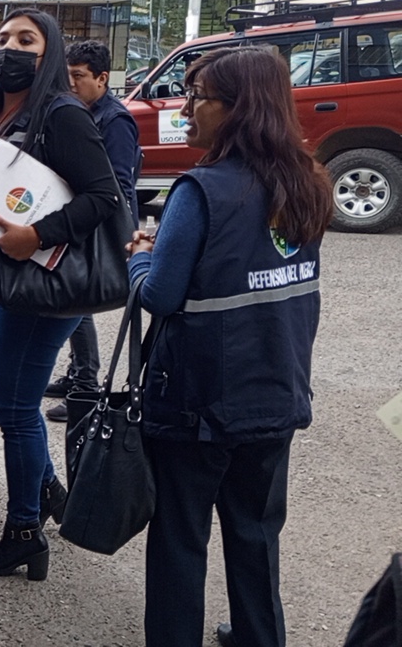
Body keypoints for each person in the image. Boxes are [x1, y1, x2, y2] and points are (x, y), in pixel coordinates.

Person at [130, 46, 331, 647]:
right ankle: (257, 636)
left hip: (198, 404)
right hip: (275, 394)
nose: (186, 108)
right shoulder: (307, 181)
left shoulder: (201, 190)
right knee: (255, 533)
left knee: (180, 540)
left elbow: (161, 296)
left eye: (200, 97)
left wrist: (142, 257)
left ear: (239, 108)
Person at [0, 9, 122, 581]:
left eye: (26, 40)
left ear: (50, 52)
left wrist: (38, 234)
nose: (9, 47)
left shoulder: (59, 114)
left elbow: (103, 196)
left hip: (42, 289)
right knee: (0, 395)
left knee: (15, 409)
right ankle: (50, 492)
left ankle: (24, 532)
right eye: (4, 37)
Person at [42, 40, 144, 422]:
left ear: (102, 79)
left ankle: (86, 385)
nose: (71, 83)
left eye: (79, 76)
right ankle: (76, 374)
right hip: (80, 219)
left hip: (101, 225)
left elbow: (116, 184)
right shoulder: (79, 112)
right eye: (66, 75)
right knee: (73, 299)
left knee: (77, 303)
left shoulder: (114, 119)